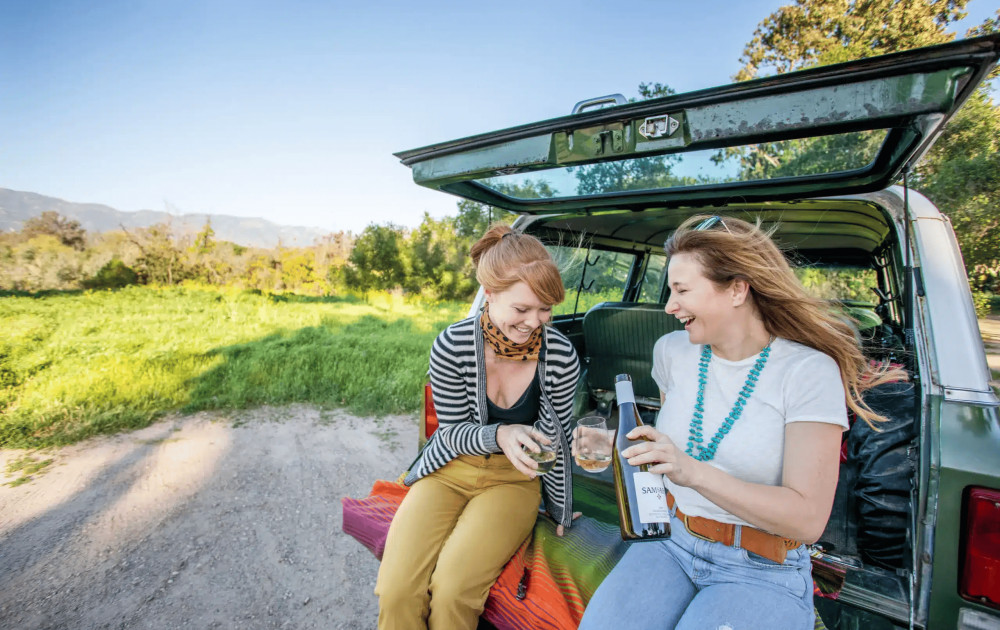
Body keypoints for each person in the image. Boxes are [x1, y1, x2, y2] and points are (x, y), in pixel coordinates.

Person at [579, 215, 903, 630]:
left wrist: (692, 472)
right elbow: (674, 448)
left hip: (760, 566)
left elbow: (807, 520)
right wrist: (615, 443)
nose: (669, 306)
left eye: (681, 290)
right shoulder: (671, 351)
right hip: (669, 540)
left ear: (736, 289)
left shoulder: (808, 371)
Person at [375, 224, 581, 630]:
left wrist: (560, 507)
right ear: (489, 295)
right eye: (521, 310)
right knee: (397, 590)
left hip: (513, 482)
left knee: (453, 591)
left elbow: (554, 440)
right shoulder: (452, 345)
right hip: (450, 470)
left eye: (545, 310)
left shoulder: (560, 355)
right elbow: (449, 434)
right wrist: (500, 435)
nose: (535, 323)